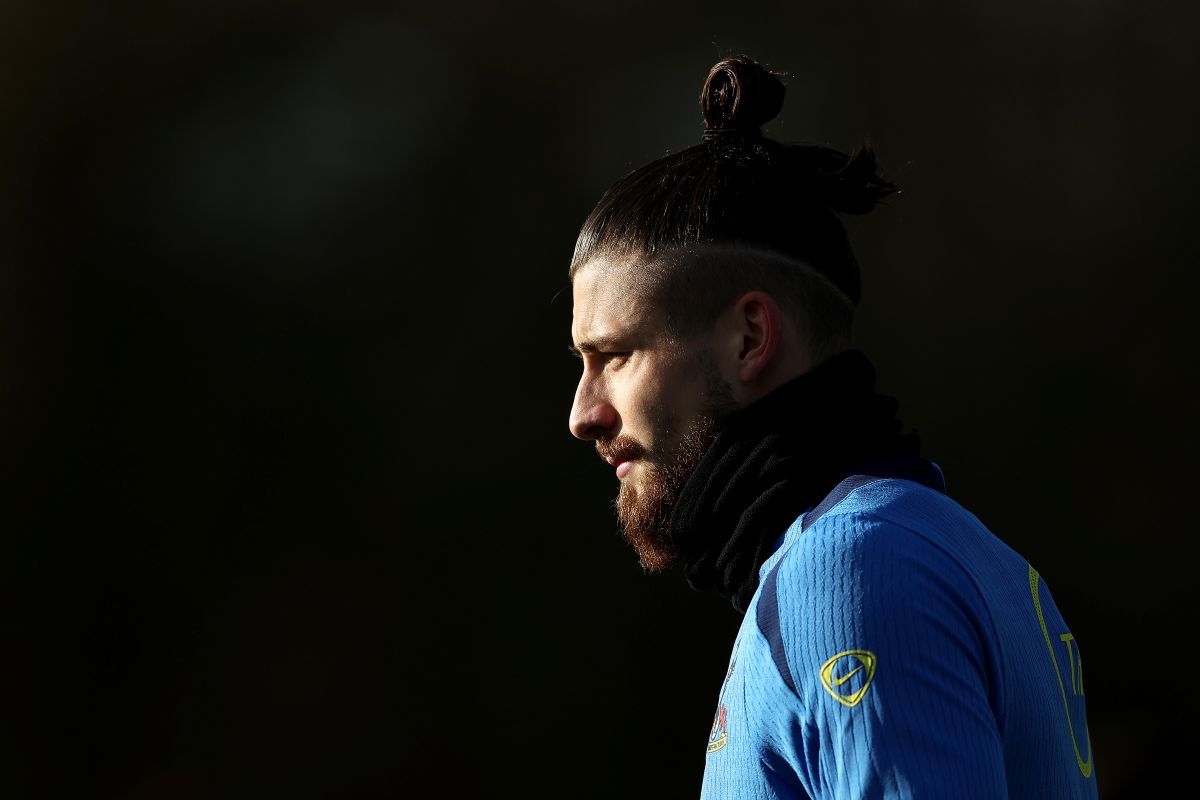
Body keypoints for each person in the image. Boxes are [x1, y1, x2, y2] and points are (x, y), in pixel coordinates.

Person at [565, 55, 1098, 799]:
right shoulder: (950, 552)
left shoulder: (851, 567)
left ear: (750, 338)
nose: (582, 414)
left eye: (613, 355)